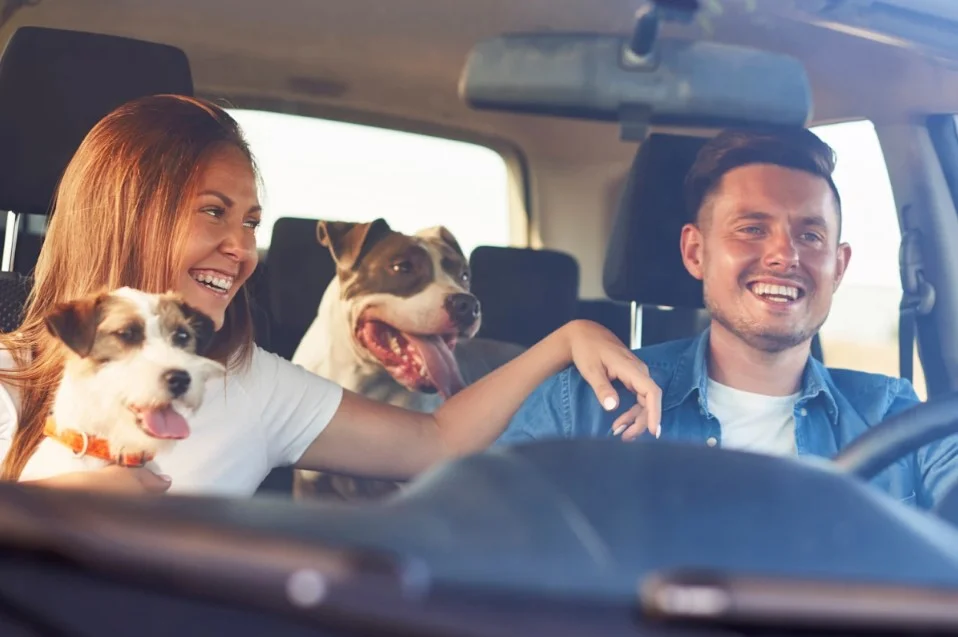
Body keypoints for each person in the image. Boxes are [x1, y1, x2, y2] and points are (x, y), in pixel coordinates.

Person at [0, 94, 661, 496]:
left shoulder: (253, 385)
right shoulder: (9, 377)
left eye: (251, 222)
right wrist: (62, 507)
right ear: (129, 212)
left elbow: (436, 439)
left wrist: (567, 340)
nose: (241, 248)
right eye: (213, 212)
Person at [499, 127, 958, 509]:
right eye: (752, 229)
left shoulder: (894, 416)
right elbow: (481, 545)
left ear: (838, 267)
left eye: (810, 235)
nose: (784, 255)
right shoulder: (582, 406)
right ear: (696, 252)